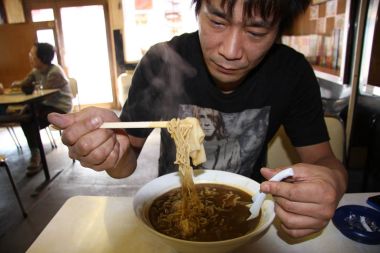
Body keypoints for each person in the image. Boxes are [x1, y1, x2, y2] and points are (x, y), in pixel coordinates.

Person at [48, 0, 347, 238]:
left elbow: (325, 161)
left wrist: (332, 181)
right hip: (172, 212)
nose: (230, 51)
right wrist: (112, 153)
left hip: (251, 211)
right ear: (198, 9)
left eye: (256, 32)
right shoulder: (162, 61)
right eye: (217, 21)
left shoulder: (291, 73)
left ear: (278, 28)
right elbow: (126, 164)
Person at [12, 42, 72, 176]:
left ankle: (36, 156)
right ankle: (36, 153)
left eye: (33, 55)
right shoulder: (36, 71)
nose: (30, 58)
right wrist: (20, 84)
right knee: (26, 117)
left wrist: (26, 93)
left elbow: (42, 94)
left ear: (42, 57)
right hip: (43, 105)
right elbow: (24, 84)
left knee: (30, 118)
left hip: (59, 107)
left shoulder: (55, 72)